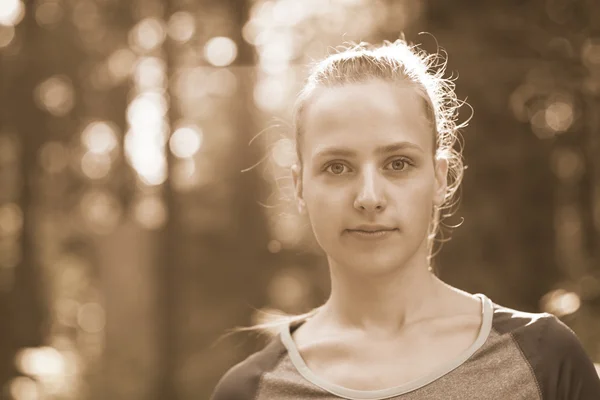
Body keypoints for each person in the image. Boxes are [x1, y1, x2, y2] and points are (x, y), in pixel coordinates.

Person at [210, 39, 600, 399]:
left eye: (398, 163)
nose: (369, 197)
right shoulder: (250, 390)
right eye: (337, 167)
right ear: (299, 187)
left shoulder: (546, 362)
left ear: (442, 178)